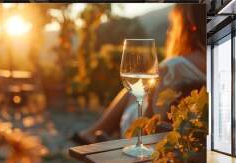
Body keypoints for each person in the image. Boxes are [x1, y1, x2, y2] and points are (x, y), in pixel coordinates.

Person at [72, 4, 206, 145]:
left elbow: (154, 121)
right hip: (193, 133)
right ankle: (95, 133)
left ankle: (95, 133)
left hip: (147, 135)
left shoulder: (174, 66)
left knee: (135, 89)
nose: (170, 31)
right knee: (136, 87)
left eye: (174, 24)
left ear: (187, 25)